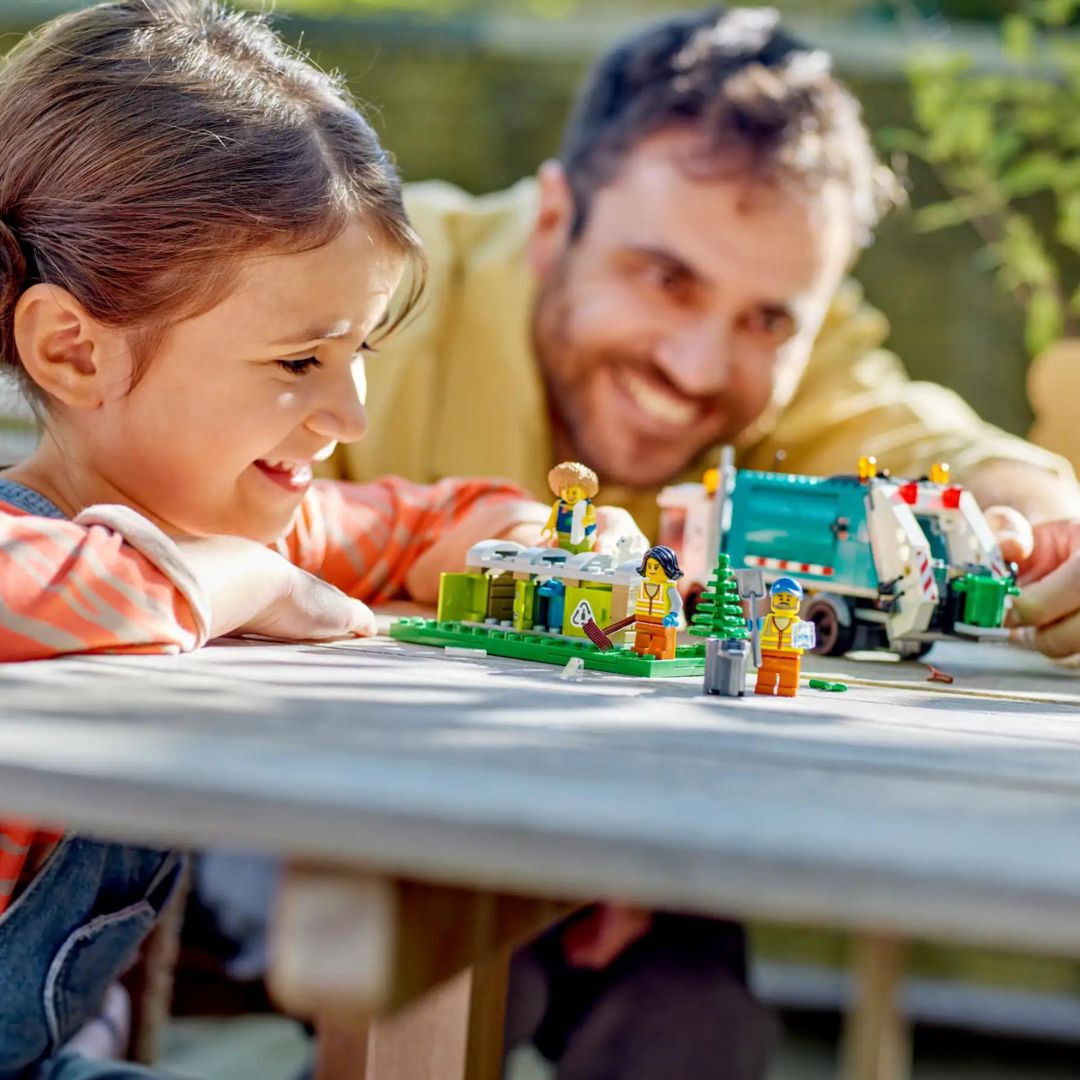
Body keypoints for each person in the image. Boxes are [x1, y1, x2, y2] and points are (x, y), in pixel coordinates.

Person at [326, 6, 1080, 1077]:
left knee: (700, 1027)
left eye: (767, 321)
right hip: (335, 811)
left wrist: (1043, 529)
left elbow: (941, 445)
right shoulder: (375, 285)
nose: (694, 361)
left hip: (630, 842)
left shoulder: (803, 373)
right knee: (451, 969)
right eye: (663, 277)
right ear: (553, 221)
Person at [0, 2, 635, 1076]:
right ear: (74, 351)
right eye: (300, 362)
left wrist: (551, 547)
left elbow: (424, 522)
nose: (349, 415)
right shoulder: (58, 549)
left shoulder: (235, 515)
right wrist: (240, 580)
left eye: (361, 353)